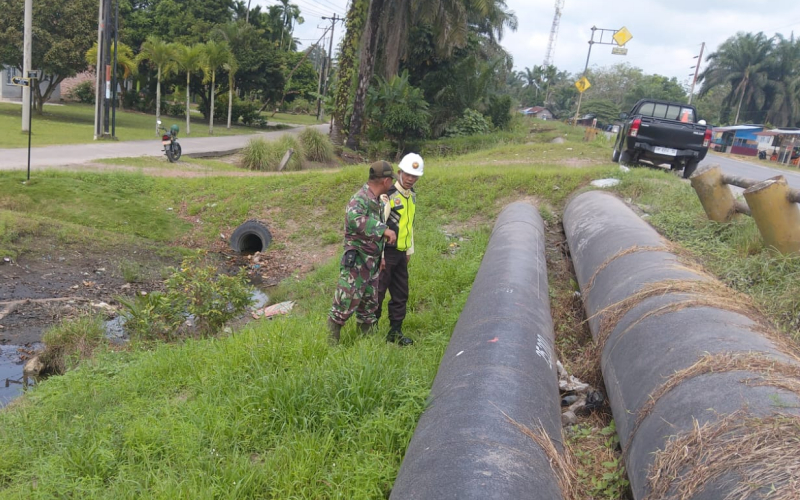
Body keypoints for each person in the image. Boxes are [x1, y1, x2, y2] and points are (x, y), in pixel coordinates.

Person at [327, 161, 398, 343]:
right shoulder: (360, 198)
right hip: (357, 264)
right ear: (386, 181)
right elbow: (354, 219)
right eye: (391, 181)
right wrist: (383, 230)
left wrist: (381, 257)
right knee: (343, 305)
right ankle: (329, 345)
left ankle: (365, 345)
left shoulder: (376, 200)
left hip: (371, 264)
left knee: (369, 308)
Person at [377, 153, 424, 346]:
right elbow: (379, 227)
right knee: (377, 293)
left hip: (401, 255)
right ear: (399, 173)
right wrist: (379, 256)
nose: (410, 179)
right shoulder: (388, 196)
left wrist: (409, 252)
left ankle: (394, 333)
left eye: (415, 176)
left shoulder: (411, 196)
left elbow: (409, 226)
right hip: (386, 254)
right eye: (407, 174)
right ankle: (369, 333)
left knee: (400, 294)